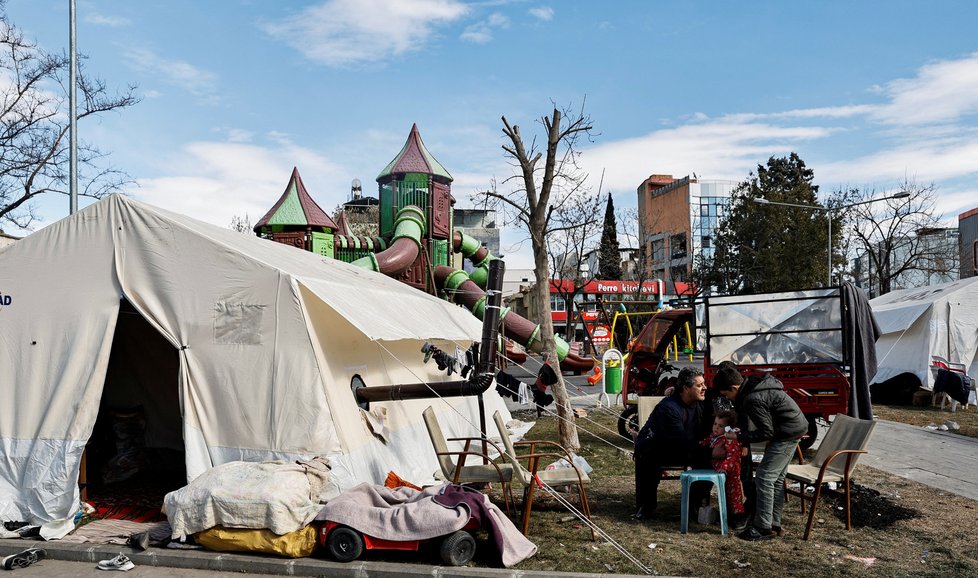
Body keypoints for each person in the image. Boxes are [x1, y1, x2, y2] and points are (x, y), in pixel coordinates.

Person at [729, 371, 808, 541]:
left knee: (764, 478)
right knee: (776, 479)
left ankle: (763, 527)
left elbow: (766, 431)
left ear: (734, 388)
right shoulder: (758, 388)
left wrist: (739, 437)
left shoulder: (752, 398)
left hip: (786, 434)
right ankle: (773, 524)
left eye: (727, 394)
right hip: (792, 430)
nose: (729, 399)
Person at [633, 367, 712, 520]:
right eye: (699, 385)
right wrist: (709, 451)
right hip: (660, 448)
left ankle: (692, 505)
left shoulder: (700, 402)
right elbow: (680, 441)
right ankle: (647, 506)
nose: (704, 388)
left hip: (685, 446)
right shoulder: (668, 408)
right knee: (649, 458)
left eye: (704, 384)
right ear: (686, 388)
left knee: (711, 462)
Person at [703, 410, 747, 530]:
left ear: (728, 428)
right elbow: (707, 442)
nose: (716, 427)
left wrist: (724, 468)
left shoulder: (730, 439)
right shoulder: (715, 437)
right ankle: (727, 516)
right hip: (720, 471)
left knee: (734, 496)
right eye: (715, 424)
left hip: (730, 472)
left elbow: (731, 457)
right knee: (724, 495)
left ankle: (738, 517)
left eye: (720, 426)